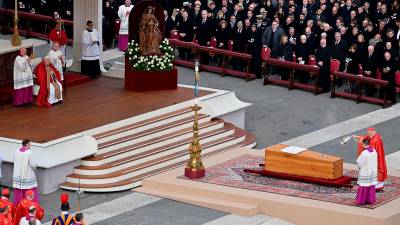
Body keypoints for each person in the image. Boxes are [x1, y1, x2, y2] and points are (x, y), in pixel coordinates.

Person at [12, 140, 38, 205]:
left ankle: (19, 203)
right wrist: (35, 169)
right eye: (29, 144)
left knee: (19, 189)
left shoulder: (16, 151)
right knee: (28, 188)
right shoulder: (29, 153)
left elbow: (13, 160)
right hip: (27, 174)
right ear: (26, 144)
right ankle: (30, 203)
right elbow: (33, 164)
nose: (30, 145)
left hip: (17, 173)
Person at [355, 138, 377, 205]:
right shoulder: (374, 151)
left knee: (363, 186)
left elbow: (359, 162)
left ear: (363, 144)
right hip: (372, 171)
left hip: (366, 171)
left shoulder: (364, 153)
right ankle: (370, 200)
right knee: (370, 185)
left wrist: (359, 167)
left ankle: (361, 200)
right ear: (369, 143)